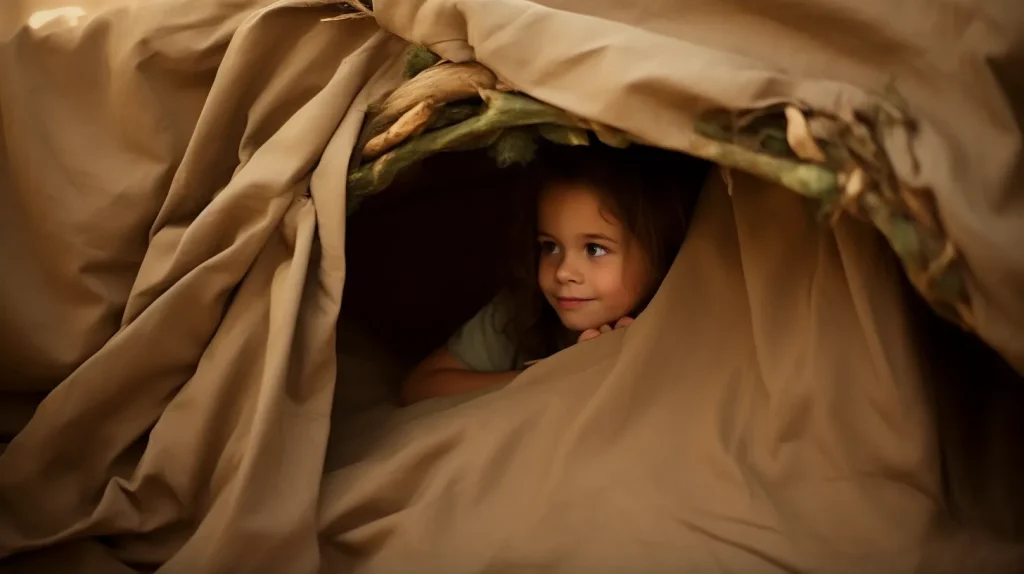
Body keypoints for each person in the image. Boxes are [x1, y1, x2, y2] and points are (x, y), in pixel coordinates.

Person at [399, 142, 707, 405]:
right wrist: (554, 376)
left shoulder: (688, 323)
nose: (563, 273)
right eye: (550, 246)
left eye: (594, 249)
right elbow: (420, 387)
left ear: (658, 255)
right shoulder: (521, 309)